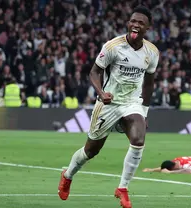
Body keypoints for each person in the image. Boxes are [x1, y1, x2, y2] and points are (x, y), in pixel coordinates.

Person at [57, 6, 159, 208]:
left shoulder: (152, 52)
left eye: (140, 22)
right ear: (128, 23)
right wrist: (101, 93)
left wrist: (144, 111)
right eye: (133, 21)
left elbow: (149, 83)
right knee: (90, 151)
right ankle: (68, 175)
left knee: (138, 140)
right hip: (108, 104)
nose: (135, 25)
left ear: (148, 27)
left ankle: (122, 188)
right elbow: (94, 72)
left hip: (132, 103)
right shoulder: (113, 46)